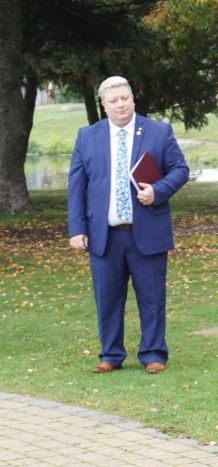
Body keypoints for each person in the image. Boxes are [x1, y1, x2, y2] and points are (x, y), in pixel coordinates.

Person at [68, 76, 189, 374]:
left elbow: (180, 169)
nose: (120, 104)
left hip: (146, 232)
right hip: (104, 236)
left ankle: (153, 354)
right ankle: (110, 355)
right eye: (114, 100)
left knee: (152, 298)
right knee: (107, 299)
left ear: (133, 99)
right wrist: (77, 229)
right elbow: (77, 186)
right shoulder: (87, 136)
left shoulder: (158, 132)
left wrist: (157, 191)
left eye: (125, 98)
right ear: (104, 105)